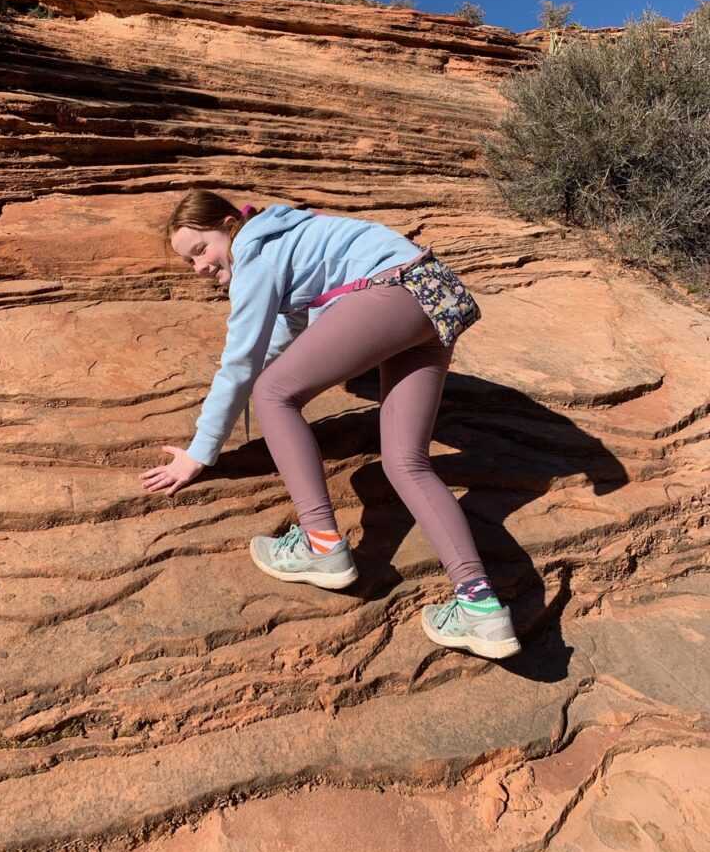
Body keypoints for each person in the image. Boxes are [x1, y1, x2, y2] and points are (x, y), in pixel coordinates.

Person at [139, 190, 521, 660]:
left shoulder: (255, 251)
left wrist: (201, 450)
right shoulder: (290, 237)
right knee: (405, 462)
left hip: (393, 291)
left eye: (201, 249)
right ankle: (481, 610)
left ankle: (321, 543)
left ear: (228, 223)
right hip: (435, 292)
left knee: (275, 394)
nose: (200, 267)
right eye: (189, 263)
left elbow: (241, 362)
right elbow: (284, 336)